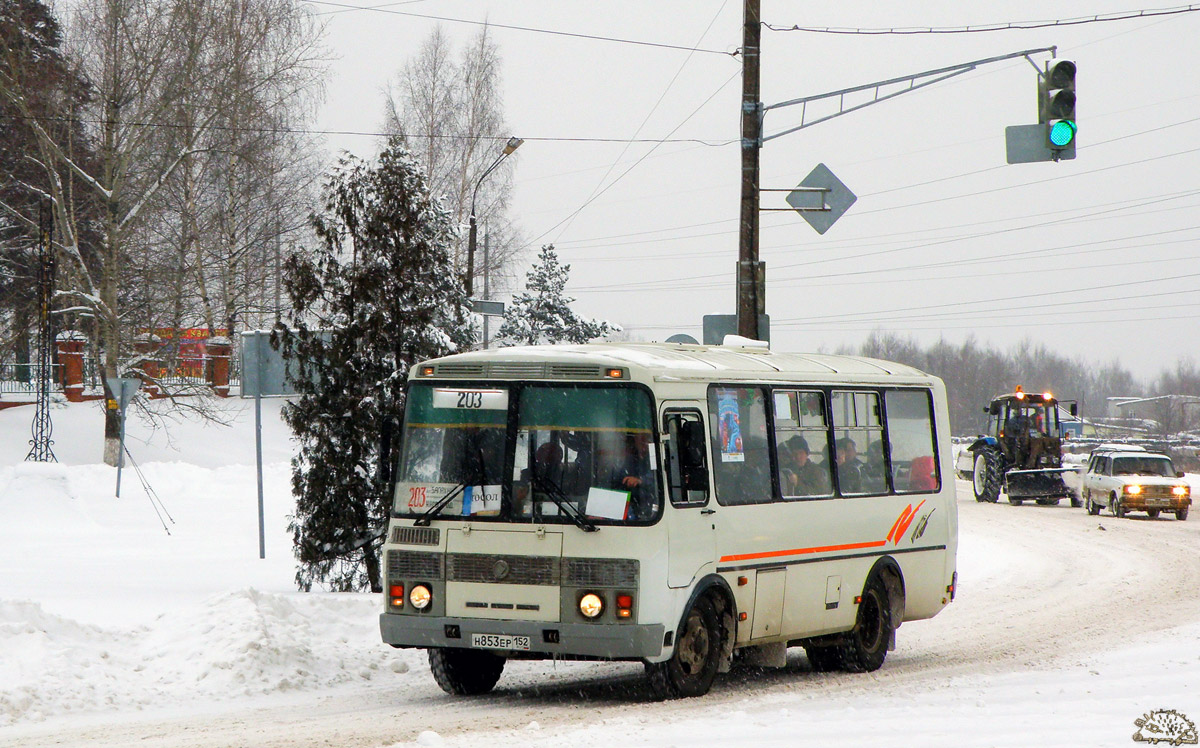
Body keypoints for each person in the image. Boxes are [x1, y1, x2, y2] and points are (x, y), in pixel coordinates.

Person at [608, 432, 658, 519]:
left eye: (645, 438)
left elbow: (659, 482)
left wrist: (640, 481)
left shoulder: (657, 457)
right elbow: (619, 479)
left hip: (654, 510)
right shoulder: (632, 459)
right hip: (634, 509)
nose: (643, 441)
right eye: (639, 438)